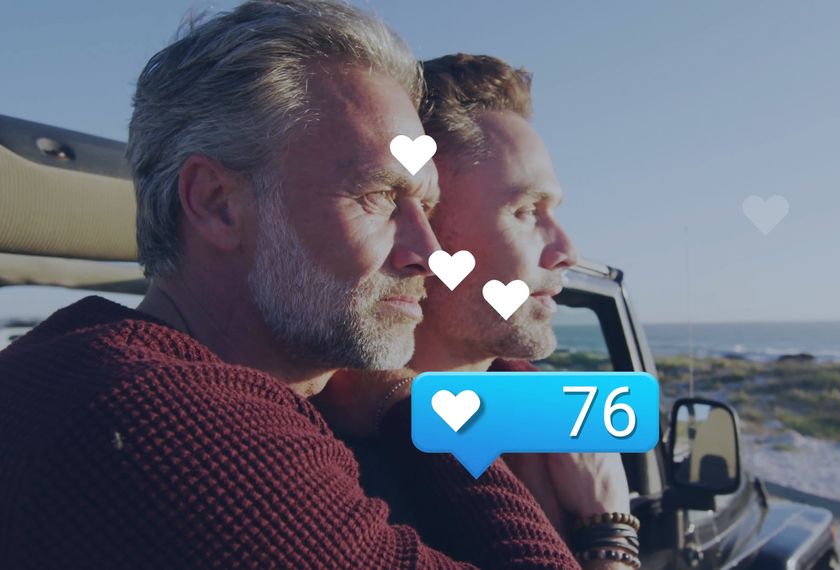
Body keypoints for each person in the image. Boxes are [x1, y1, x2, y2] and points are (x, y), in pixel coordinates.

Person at [0, 2, 587, 567]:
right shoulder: (175, 426)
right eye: (379, 196)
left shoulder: (86, 365)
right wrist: (609, 532)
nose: (429, 254)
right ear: (217, 203)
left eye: (426, 207)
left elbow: (599, 407)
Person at [316, 54, 640, 569]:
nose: (565, 250)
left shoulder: (542, 418)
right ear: (424, 234)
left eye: (554, 211)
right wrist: (610, 534)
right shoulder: (333, 478)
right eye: (526, 211)